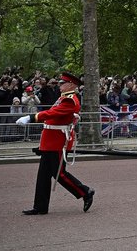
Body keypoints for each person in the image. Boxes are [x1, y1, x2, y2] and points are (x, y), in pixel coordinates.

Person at [16, 72, 94, 215]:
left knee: (60, 174)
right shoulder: (63, 98)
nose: (60, 85)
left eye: (63, 83)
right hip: (50, 140)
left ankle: (85, 192)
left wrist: (32, 117)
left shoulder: (70, 100)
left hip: (58, 142)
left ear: (71, 85)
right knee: (43, 175)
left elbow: (53, 113)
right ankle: (40, 206)